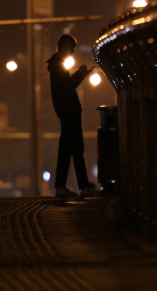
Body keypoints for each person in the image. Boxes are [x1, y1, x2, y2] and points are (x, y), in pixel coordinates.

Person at [47, 34, 100, 197]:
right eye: (72, 49)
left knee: (67, 151)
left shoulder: (56, 65)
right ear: (64, 47)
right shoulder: (58, 66)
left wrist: (79, 75)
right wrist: (80, 74)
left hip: (67, 113)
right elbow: (67, 87)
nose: (73, 52)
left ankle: (61, 187)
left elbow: (65, 87)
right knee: (77, 150)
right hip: (69, 113)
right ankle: (83, 187)